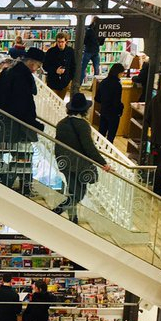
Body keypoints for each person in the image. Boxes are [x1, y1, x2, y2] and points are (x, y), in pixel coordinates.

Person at [0, 48, 45, 194]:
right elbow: (21, 106)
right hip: (17, 126)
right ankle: (12, 186)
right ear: (32, 63)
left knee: (21, 155)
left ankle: (14, 184)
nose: (37, 70)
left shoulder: (8, 73)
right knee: (24, 156)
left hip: (5, 124)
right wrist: (35, 124)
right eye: (38, 66)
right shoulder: (21, 78)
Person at [53, 93, 110, 223]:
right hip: (80, 165)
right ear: (84, 110)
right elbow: (89, 147)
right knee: (78, 194)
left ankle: (73, 218)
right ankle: (57, 212)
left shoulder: (62, 123)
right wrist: (103, 163)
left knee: (73, 191)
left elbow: (58, 144)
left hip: (65, 163)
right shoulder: (83, 125)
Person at [94, 64, 126, 142]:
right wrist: (121, 108)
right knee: (111, 136)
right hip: (113, 113)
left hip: (104, 111)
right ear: (118, 73)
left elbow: (97, 98)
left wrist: (104, 102)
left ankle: (99, 149)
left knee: (101, 134)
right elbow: (117, 101)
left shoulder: (103, 82)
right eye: (122, 73)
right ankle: (109, 152)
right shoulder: (117, 85)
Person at [43, 32, 77, 97]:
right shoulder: (50, 51)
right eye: (58, 42)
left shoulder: (70, 51)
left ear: (66, 41)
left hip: (65, 82)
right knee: (53, 103)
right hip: (52, 82)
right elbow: (45, 66)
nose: (60, 44)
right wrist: (55, 70)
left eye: (62, 42)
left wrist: (70, 79)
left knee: (61, 101)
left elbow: (73, 65)